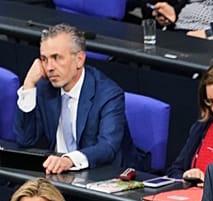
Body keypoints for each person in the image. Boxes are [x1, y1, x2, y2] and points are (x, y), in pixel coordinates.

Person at [14, 24, 140, 175]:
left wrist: (68, 160)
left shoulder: (108, 94)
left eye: (56, 57)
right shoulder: (44, 86)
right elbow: (25, 140)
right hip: (57, 175)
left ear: (79, 59)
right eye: (44, 59)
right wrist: (28, 85)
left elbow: (107, 147)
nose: (49, 67)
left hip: (99, 174)